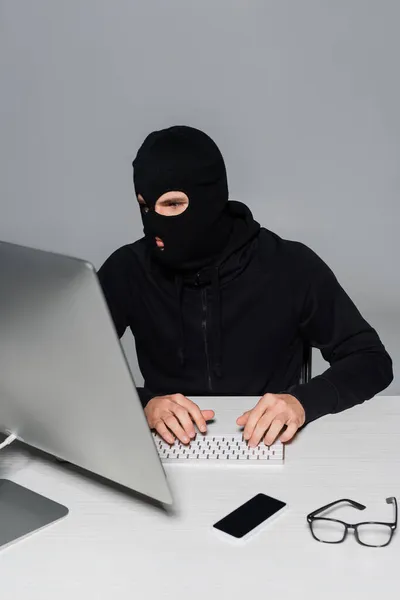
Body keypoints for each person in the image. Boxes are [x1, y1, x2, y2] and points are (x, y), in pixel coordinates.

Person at [98, 125, 393, 448]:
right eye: (145, 206)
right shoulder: (128, 270)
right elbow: (68, 373)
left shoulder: (288, 266)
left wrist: (301, 403)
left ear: (210, 198)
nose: (155, 221)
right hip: (164, 448)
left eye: (172, 204)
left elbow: (371, 360)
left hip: (272, 445)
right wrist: (141, 405)